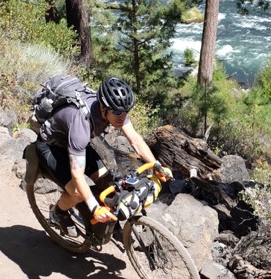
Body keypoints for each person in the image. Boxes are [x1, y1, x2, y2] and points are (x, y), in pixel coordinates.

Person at [35, 76, 171, 234]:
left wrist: (157, 165)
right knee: (78, 192)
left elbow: (135, 140)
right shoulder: (81, 122)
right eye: (118, 112)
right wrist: (94, 207)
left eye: (126, 112)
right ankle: (58, 213)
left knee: (109, 182)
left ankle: (110, 225)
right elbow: (77, 175)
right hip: (52, 147)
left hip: (76, 144)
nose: (122, 116)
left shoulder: (116, 111)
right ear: (103, 107)